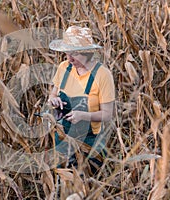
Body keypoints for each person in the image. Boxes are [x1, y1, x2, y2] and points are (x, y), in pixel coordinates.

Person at [48, 26, 115, 174]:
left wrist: (83, 116)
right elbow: (52, 95)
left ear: (88, 52)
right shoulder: (64, 68)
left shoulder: (102, 75)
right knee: (64, 181)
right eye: (67, 53)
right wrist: (53, 101)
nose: (70, 59)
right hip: (63, 138)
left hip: (91, 142)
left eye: (75, 54)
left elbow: (107, 114)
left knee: (91, 181)